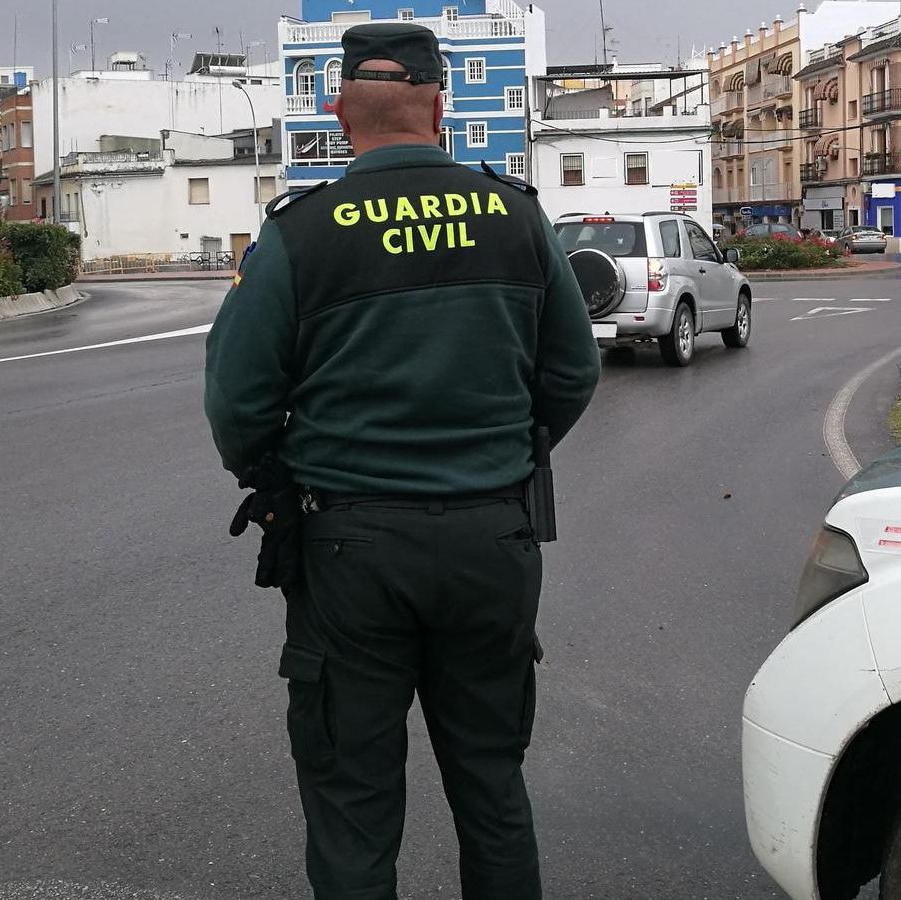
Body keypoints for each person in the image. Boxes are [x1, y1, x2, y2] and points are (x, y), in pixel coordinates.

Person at [203, 23, 601, 900]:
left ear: (340, 113)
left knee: (353, 802)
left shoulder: (302, 233)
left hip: (351, 552)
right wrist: (503, 452)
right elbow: (574, 372)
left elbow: (236, 400)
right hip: (492, 538)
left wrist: (276, 473)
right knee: (492, 786)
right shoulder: (517, 216)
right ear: (440, 109)